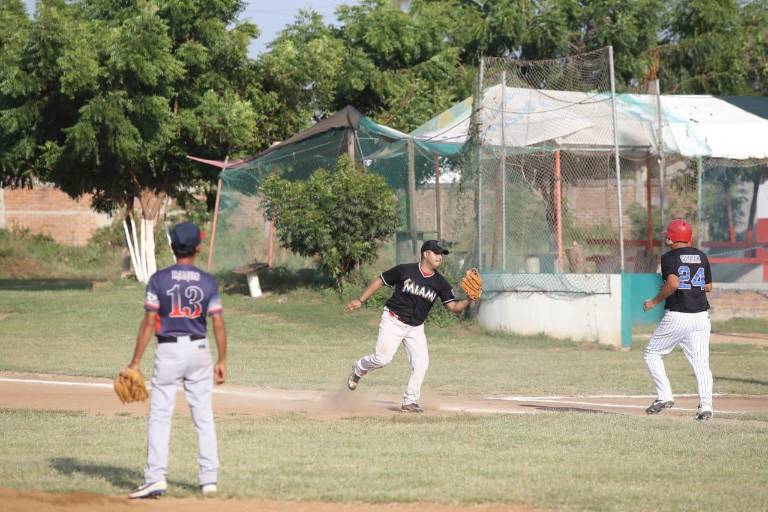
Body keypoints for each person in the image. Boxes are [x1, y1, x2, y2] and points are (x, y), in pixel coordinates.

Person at [125, 222, 228, 498]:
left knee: (160, 415)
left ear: (172, 247)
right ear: (198, 248)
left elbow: (149, 321)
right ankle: (209, 480)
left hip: (169, 351)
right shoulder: (208, 282)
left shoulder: (159, 280)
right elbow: (217, 322)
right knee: (203, 415)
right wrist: (222, 359)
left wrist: (135, 361)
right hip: (199, 350)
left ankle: (156, 477)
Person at [345, 240, 477, 412]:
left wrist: (469, 299)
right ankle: (359, 367)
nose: (439, 257)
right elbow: (380, 280)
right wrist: (360, 300)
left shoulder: (440, 283)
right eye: (436, 253)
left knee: (421, 363)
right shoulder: (405, 270)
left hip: (415, 327)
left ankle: (409, 401)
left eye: (441, 254)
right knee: (382, 359)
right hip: (393, 320)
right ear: (425, 254)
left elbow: (453, 307)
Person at [642, 219, 714, 421]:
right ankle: (706, 405)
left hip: (678, 314)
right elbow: (708, 286)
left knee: (652, 353)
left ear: (669, 238)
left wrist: (654, 301)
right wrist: (692, 285)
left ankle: (664, 395)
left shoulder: (669, 257)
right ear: (690, 238)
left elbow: (673, 283)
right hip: (701, 316)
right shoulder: (701, 256)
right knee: (701, 363)